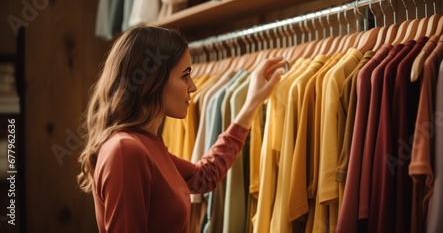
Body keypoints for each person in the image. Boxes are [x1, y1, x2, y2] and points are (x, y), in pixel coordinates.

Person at [77, 26, 286, 233]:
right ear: (152, 81)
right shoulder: (126, 150)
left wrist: (251, 104)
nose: (193, 86)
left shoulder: (144, 144)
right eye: (184, 75)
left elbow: (204, 176)